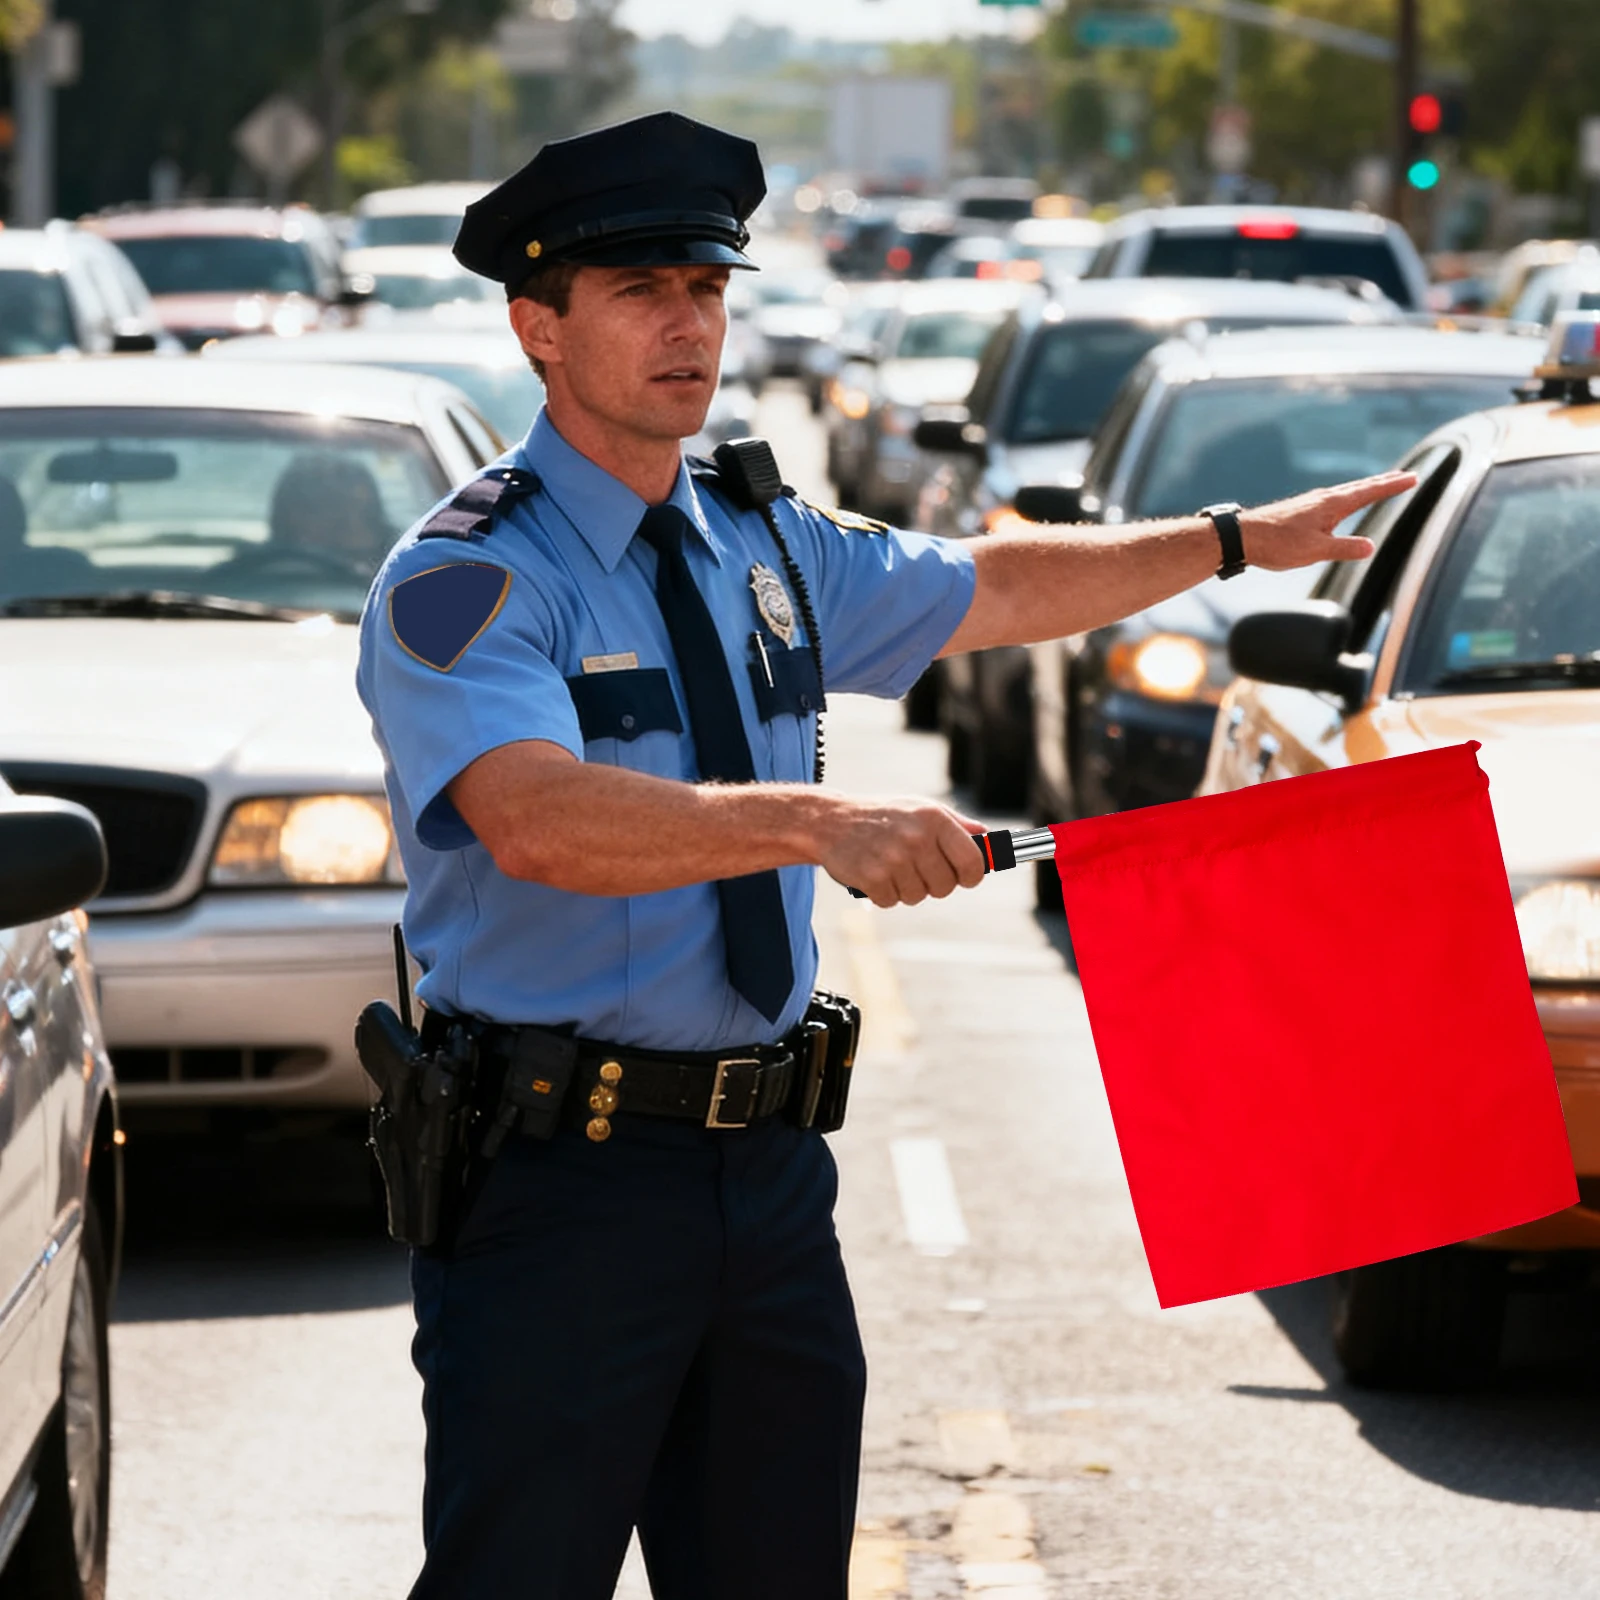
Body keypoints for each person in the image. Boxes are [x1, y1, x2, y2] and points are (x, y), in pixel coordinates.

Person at [355, 111, 1413, 1600]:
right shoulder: (467, 576)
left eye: (707, 289)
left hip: (771, 1178)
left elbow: (992, 585)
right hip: (559, 1188)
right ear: (538, 325)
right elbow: (535, 817)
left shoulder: (761, 543)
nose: (688, 324)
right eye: (641, 291)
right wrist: (820, 824)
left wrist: (1234, 541)